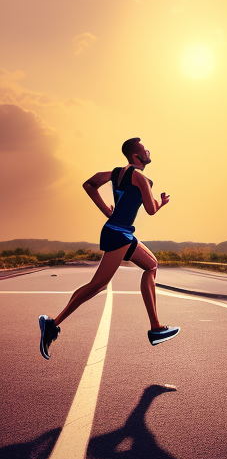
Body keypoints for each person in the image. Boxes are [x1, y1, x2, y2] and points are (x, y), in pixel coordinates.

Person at [38, 137, 180, 360]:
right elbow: (151, 210)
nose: (148, 152)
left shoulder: (116, 173)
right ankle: (52, 324)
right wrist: (162, 202)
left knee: (151, 265)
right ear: (136, 156)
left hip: (122, 231)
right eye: (145, 150)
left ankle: (156, 327)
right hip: (118, 234)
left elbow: (89, 184)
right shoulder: (142, 179)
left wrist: (106, 210)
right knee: (98, 284)